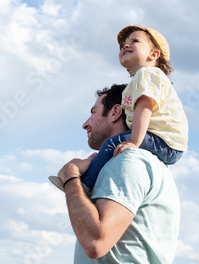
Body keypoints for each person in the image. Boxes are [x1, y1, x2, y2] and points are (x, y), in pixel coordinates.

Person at [50, 25, 188, 192]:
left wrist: (134, 142)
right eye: (123, 44)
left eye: (134, 41)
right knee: (115, 147)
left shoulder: (148, 74)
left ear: (154, 54)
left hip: (165, 142)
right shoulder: (140, 80)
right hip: (165, 143)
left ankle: (86, 184)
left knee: (112, 143)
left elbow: (144, 108)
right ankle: (96, 172)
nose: (125, 46)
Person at [57, 84, 180, 263]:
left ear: (115, 112)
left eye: (93, 113)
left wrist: (70, 177)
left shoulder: (130, 160)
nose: (85, 124)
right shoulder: (145, 162)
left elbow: (95, 242)